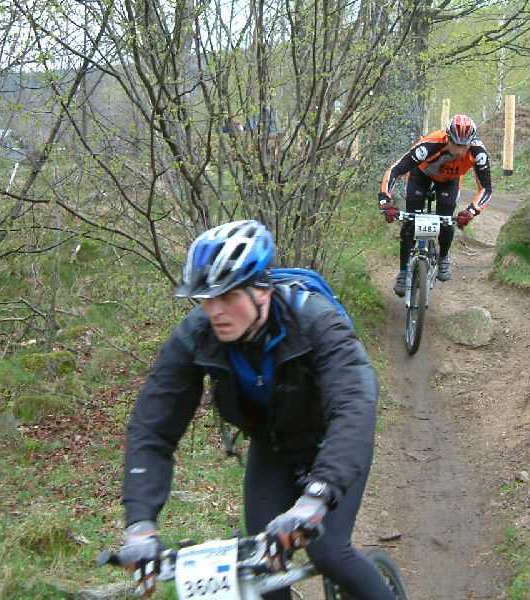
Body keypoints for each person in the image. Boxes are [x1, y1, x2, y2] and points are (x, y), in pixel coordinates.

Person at [117, 220, 395, 600]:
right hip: (272, 448)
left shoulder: (316, 321)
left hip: (332, 441)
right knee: (261, 569)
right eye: (205, 298)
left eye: (227, 296)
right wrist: (140, 525)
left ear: (261, 291)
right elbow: (152, 427)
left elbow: (354, 405)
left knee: (330, 552)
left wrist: (316, 498)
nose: (213, 310)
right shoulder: (197, 334)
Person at [379, 114, 493, 297]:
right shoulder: (431, 144)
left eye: (464, 146)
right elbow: (396, 169)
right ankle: (402, 272)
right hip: (421, 176)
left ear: (471, 142)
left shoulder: (478, 153)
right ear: (447, 137)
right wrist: (385, 200)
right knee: (410, 222)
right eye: (455, 143)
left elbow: (486, 189)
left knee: (446, 220)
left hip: (449, 181)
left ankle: (443, 257)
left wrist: (471, 211)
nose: (459, 150)